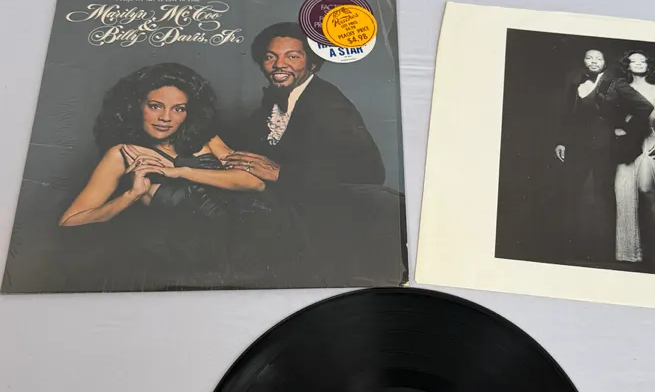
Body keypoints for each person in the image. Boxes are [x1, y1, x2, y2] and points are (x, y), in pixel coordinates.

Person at [223, 22, 400, 284]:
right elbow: (243, 138)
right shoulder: (276, 99)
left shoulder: (329, 105)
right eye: (270, 57)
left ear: (312, 63)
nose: (279, 64)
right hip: (292, 212)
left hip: (333, 226)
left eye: (292, 56)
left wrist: (281, 173)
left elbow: (370, 172)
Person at [60, 62, 264, 228]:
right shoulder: (122, 154)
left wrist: (181, 172)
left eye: (178, 109)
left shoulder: (206, 138)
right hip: (193, 253)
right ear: (136, 105)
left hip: (250, 231)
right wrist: (131, 195)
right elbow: (70, 220)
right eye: (155, 106)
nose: (165, 117)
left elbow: (255, 182)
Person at [554, 49, 653, 263]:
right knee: (570, 192)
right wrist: (561, 141)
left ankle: (605, 253)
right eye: (589, 58)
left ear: (604, 63)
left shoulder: (615, 84)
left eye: (598, 58)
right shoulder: (576, 84)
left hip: (605, 148)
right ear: (583, 61)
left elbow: (645, 106)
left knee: (604, 196)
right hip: (577, 148)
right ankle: (567, 250)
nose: (593, 61)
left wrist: (625, 128)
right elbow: (568, 115)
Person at [612, 50, 655, 270]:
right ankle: (629, 253)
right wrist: (615, 130)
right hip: (625, 145)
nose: (639, 63)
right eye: (634, 61)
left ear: (648, 65)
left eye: (643, 61)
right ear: (627, 65)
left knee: (646, 189)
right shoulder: (620, 88)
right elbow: (610, 116)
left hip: (649, 142)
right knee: (623, 193)